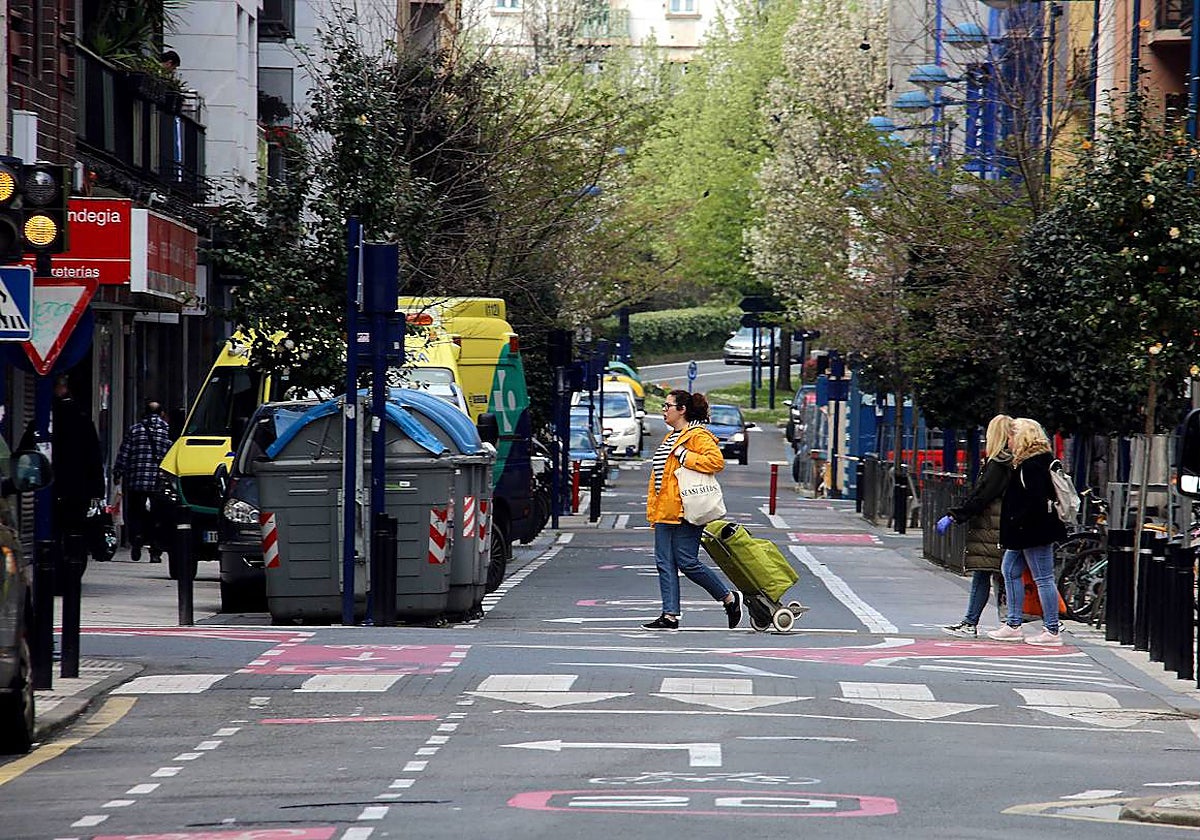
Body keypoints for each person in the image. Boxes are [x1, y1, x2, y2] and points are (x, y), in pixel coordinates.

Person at [643, 390, 742, 631]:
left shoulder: (696, 436)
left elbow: (715, 461)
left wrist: (685, 455)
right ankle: (670, 615)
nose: (664, 410)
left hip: (686, 508)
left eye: (668, 406)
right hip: (665, 509)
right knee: (664, 561)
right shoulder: (671, 437)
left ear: (682, 410)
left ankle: (729, 598)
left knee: (687, 561)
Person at [987, 418, 1068, 646]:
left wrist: (1018, 524)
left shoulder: (1032, 465)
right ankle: (1013, 623)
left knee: (1043, 578)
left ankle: (1051, 630)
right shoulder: (1033, 462)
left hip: (1033, 531)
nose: (1008, 441)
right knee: (1010, 569)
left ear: (1022, 437)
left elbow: (1034, 501)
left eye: (1011, 436)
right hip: (1027, 531)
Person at [935, 414, 1014, 637]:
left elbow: (981, 497)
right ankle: (1005, 621)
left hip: (991, 528)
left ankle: (995, 622)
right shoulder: (1008, 463)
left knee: (988, 574)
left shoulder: (998, 464)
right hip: (997, 527)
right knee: (998, 574)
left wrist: (955, 515)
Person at [19, 376, 105, 541]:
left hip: (48, 486)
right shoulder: (82, 419)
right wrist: (97, 490)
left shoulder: (42, 419)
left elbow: (25, 451)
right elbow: (94, 457)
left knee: (50, 529)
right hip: (77, 488)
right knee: (74, 531)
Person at [113, 400, 173, 562]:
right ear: (162, 414)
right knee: (157, 516)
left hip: (136, 481)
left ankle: (137, 538)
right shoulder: (168, 431)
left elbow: (124, 453)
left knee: (135, 513)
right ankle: (155, 551)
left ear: (145, 414)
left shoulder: (135, 430)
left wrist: (118, 472)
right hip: (157, 482)